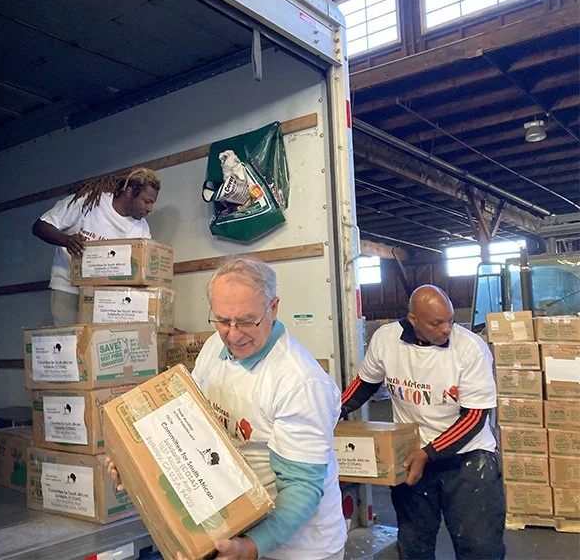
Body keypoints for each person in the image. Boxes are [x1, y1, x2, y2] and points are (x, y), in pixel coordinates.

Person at [107, 257, 347, 560]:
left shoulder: (301, 383)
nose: (233, 335)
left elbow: (301, 487)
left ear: (273, 308)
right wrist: (135, 462)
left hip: (297, 549)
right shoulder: (214, 349)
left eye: (246, 321)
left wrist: (250, 547)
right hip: (235, 530)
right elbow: (185, 423)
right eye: (222, 321)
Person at [341, 285, 504, 560]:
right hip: (412, 456)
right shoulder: (386, 339)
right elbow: (364, 384)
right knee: (414, 545)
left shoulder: (470, 349)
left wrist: (428, 454)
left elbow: (475, 417)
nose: (447, 329)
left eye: (450, 320)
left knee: (479, 549)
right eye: (436, 323)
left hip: (467, 460)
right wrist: (331, 411)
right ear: (413, 320)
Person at [32, 168, 160, 326]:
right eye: (146, 201)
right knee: (71, 342)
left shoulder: (142, 228)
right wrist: (67, 240)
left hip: (106, 297)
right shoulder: (89, 202)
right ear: (129, 192)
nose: (150, 209)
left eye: (152, 203)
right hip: (68, 286)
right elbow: (40, 226)